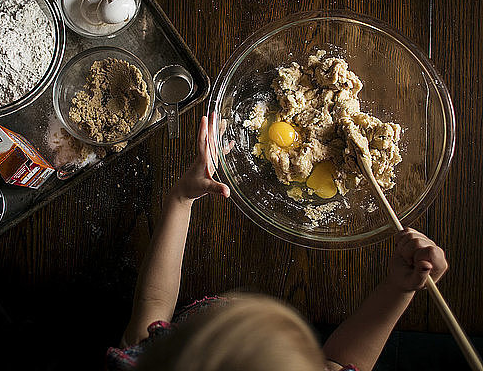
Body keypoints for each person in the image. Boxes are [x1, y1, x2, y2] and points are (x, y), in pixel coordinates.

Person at [106, 113, 448, 371]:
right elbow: (345, 362)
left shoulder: (146, 359)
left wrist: (181, 199)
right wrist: (398, 290)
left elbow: (151, 307)